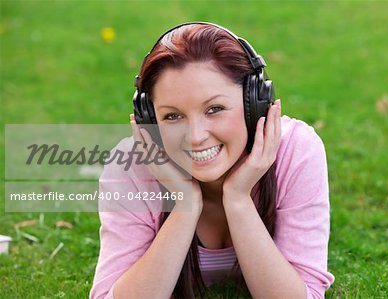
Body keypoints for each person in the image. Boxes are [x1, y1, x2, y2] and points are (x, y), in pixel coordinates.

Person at [89, 22, 334, 299]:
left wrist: (238, 199)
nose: (195, 137)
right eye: (172, 116)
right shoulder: (133, 166)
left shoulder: (295, 150)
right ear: (149, 120)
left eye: (214, 109)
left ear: (254, 104)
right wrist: (184, 203)